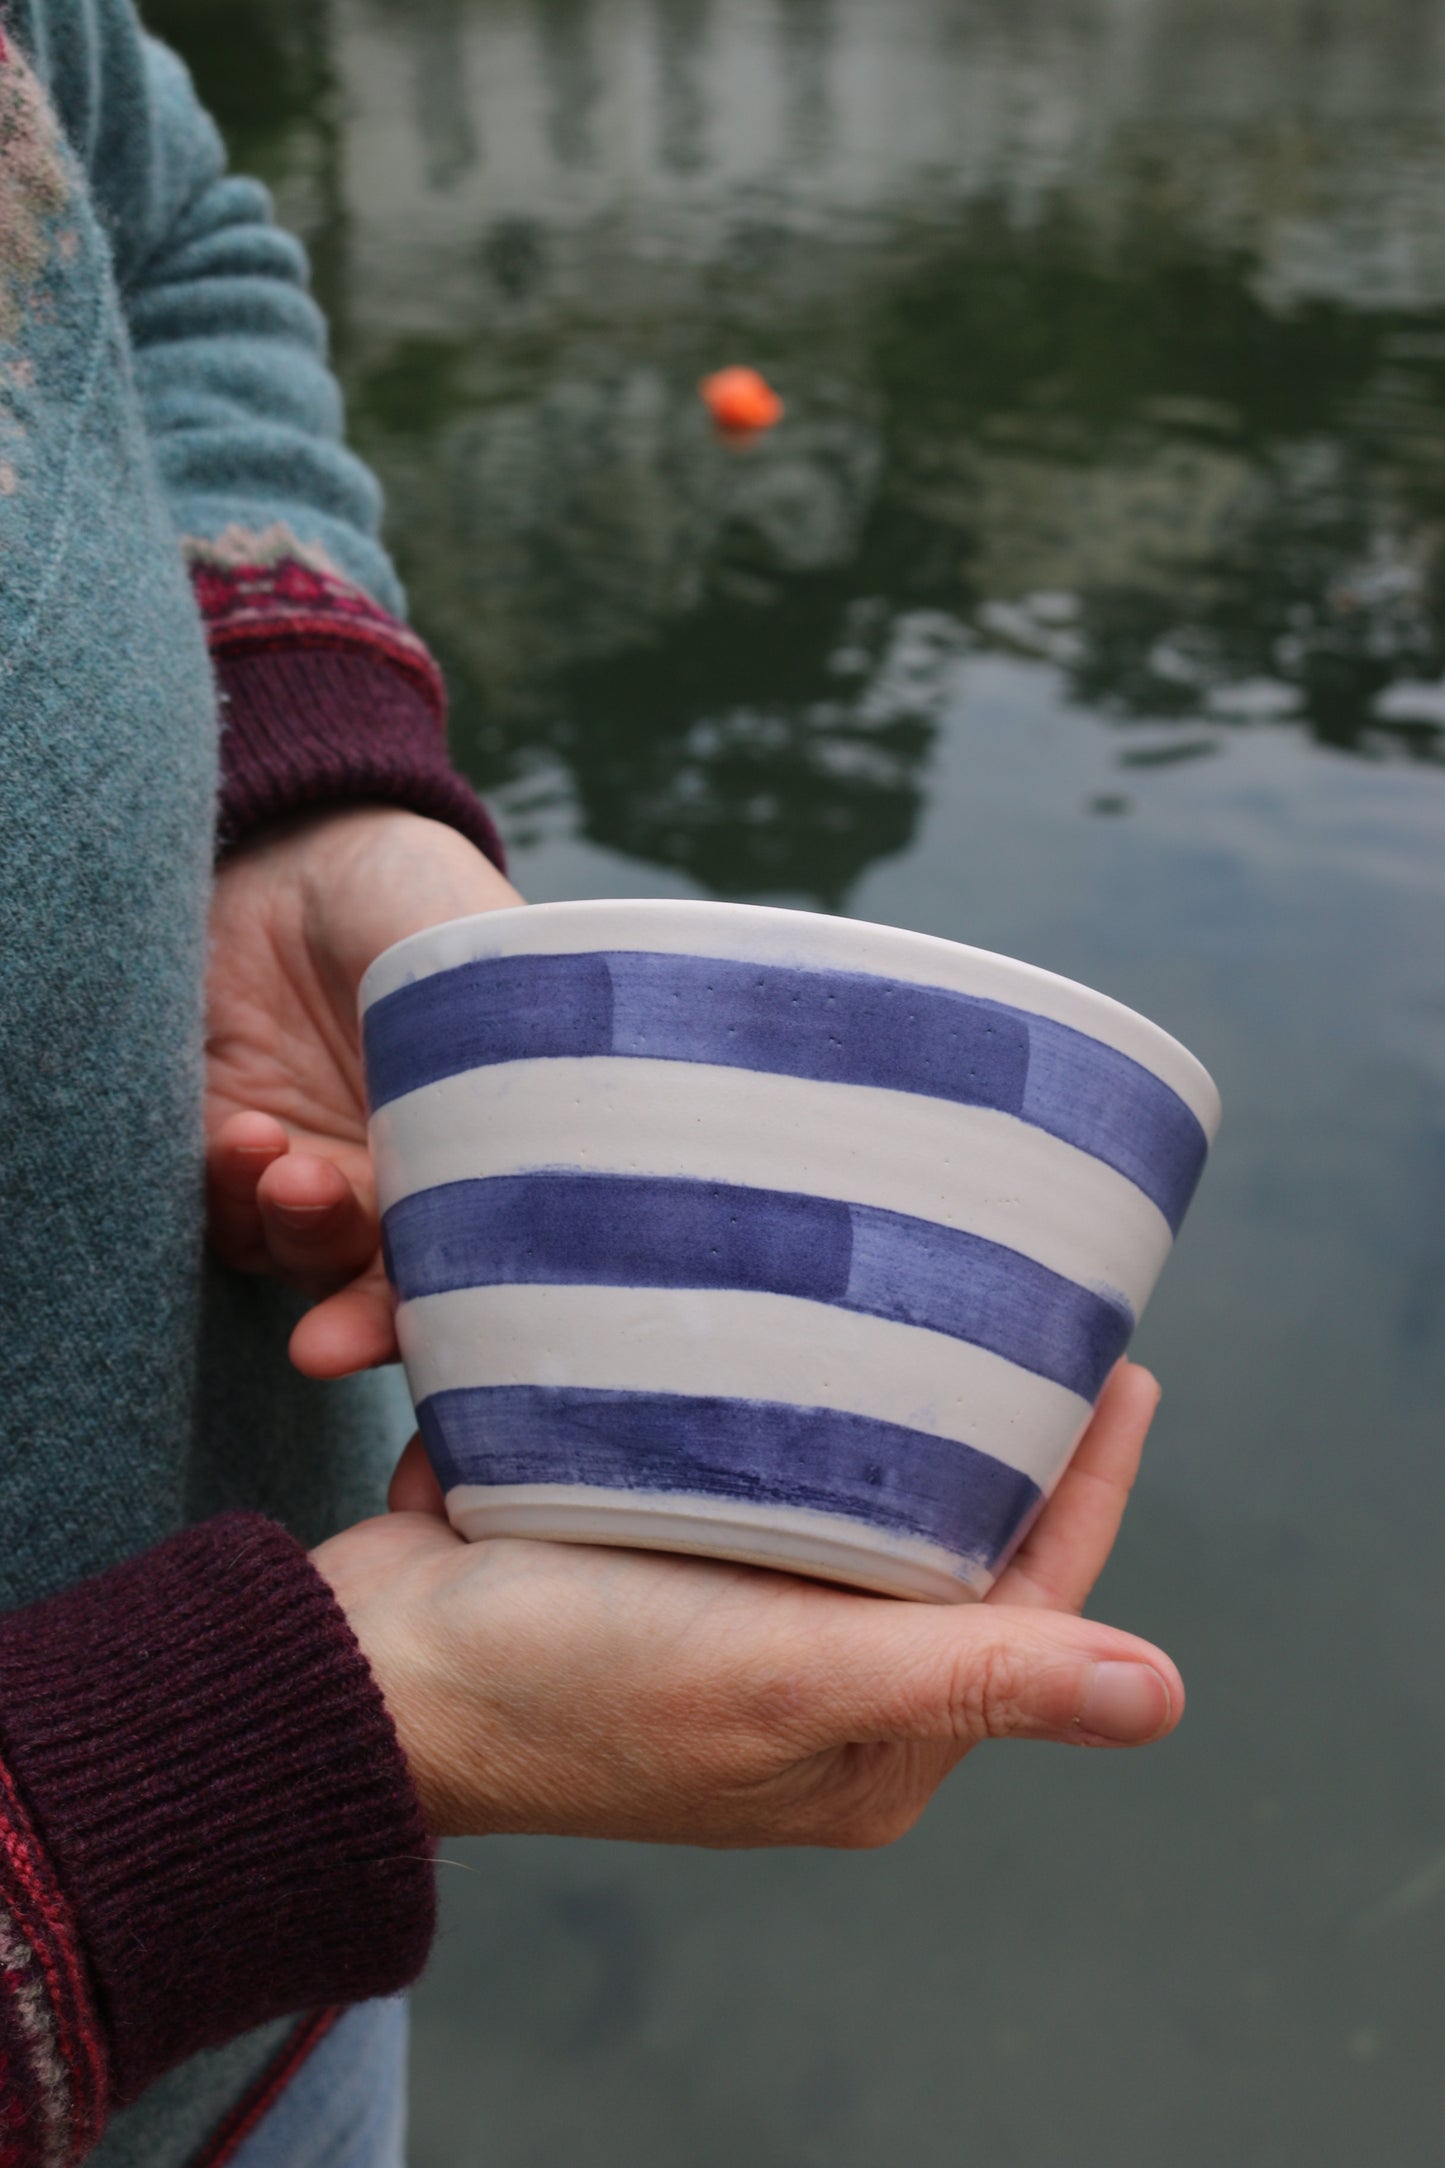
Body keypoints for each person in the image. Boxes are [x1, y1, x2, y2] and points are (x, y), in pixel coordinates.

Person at [0, 3, 1185, 2162]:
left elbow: (157, 249)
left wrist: (284, 792)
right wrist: (235, 1782)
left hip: (266, 2013)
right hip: (215, 1856)